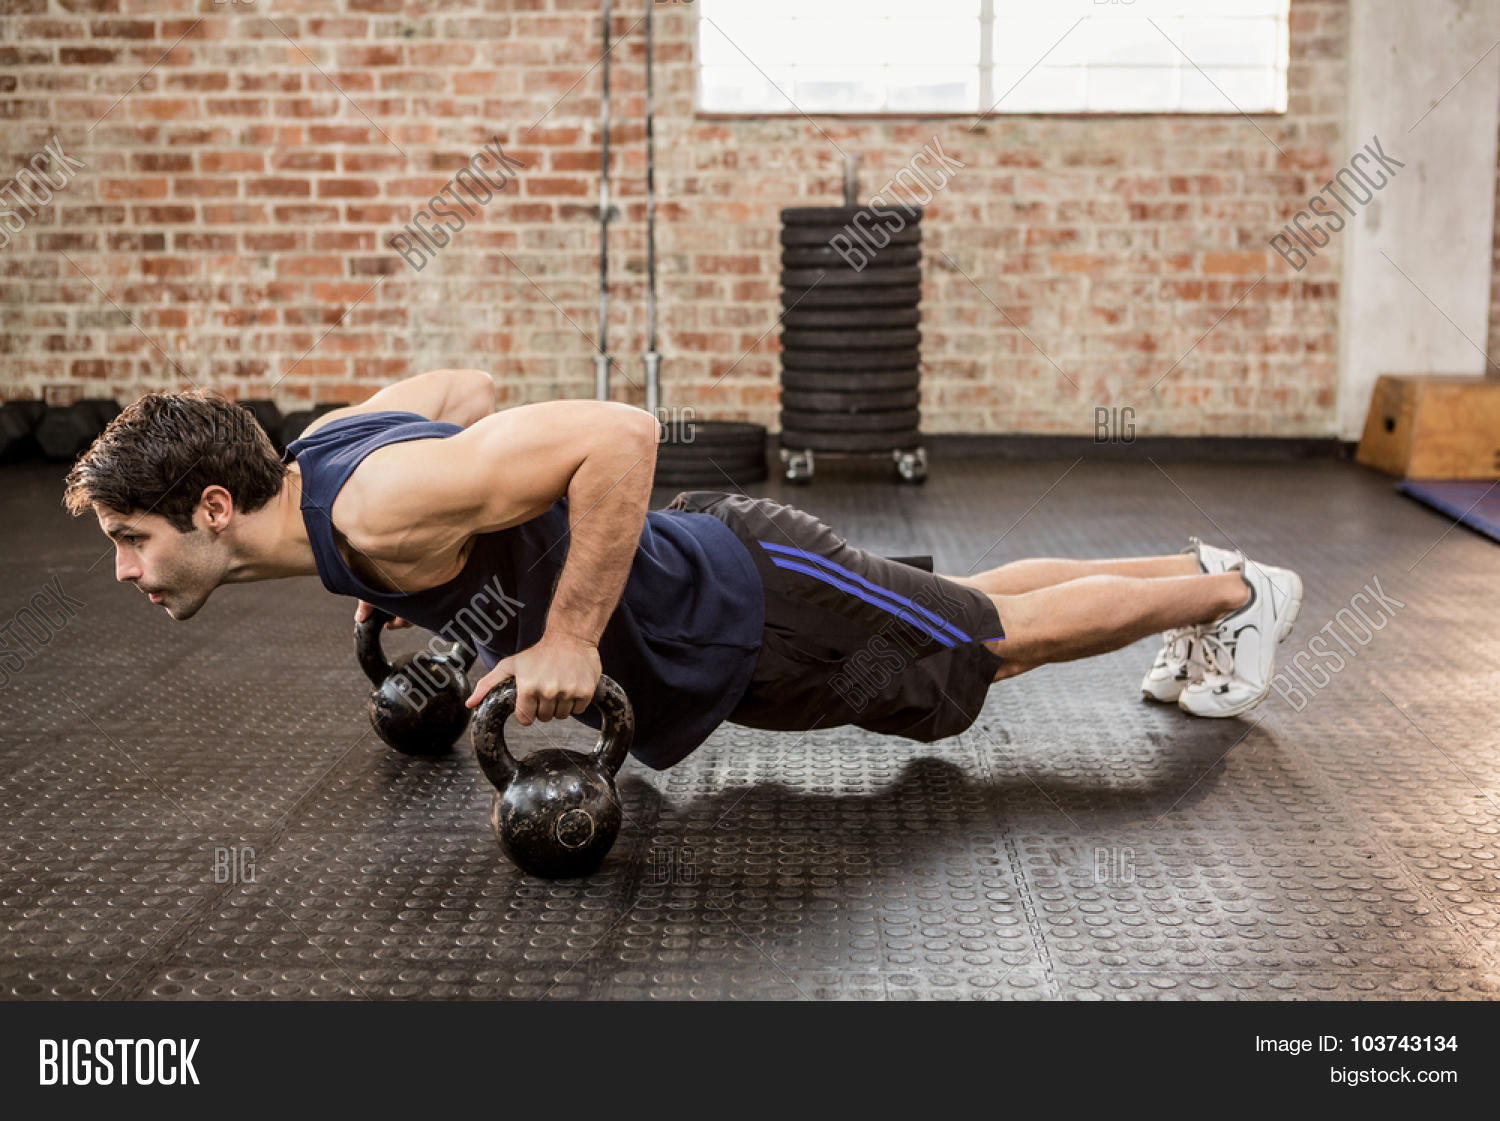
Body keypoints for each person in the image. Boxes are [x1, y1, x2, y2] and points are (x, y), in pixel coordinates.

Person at [62, 369, 1302, 770]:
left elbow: (619, 434)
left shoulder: (375, 501)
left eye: (132, 538)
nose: (125, 569)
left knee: (986, 643)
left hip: (755, 598)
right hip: (737, 597)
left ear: (213, 505)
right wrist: (489, 553)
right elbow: (463, 396)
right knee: (979, 606)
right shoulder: (327, 452)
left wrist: (567, 634)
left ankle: (1239, 599)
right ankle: (1205, 567)